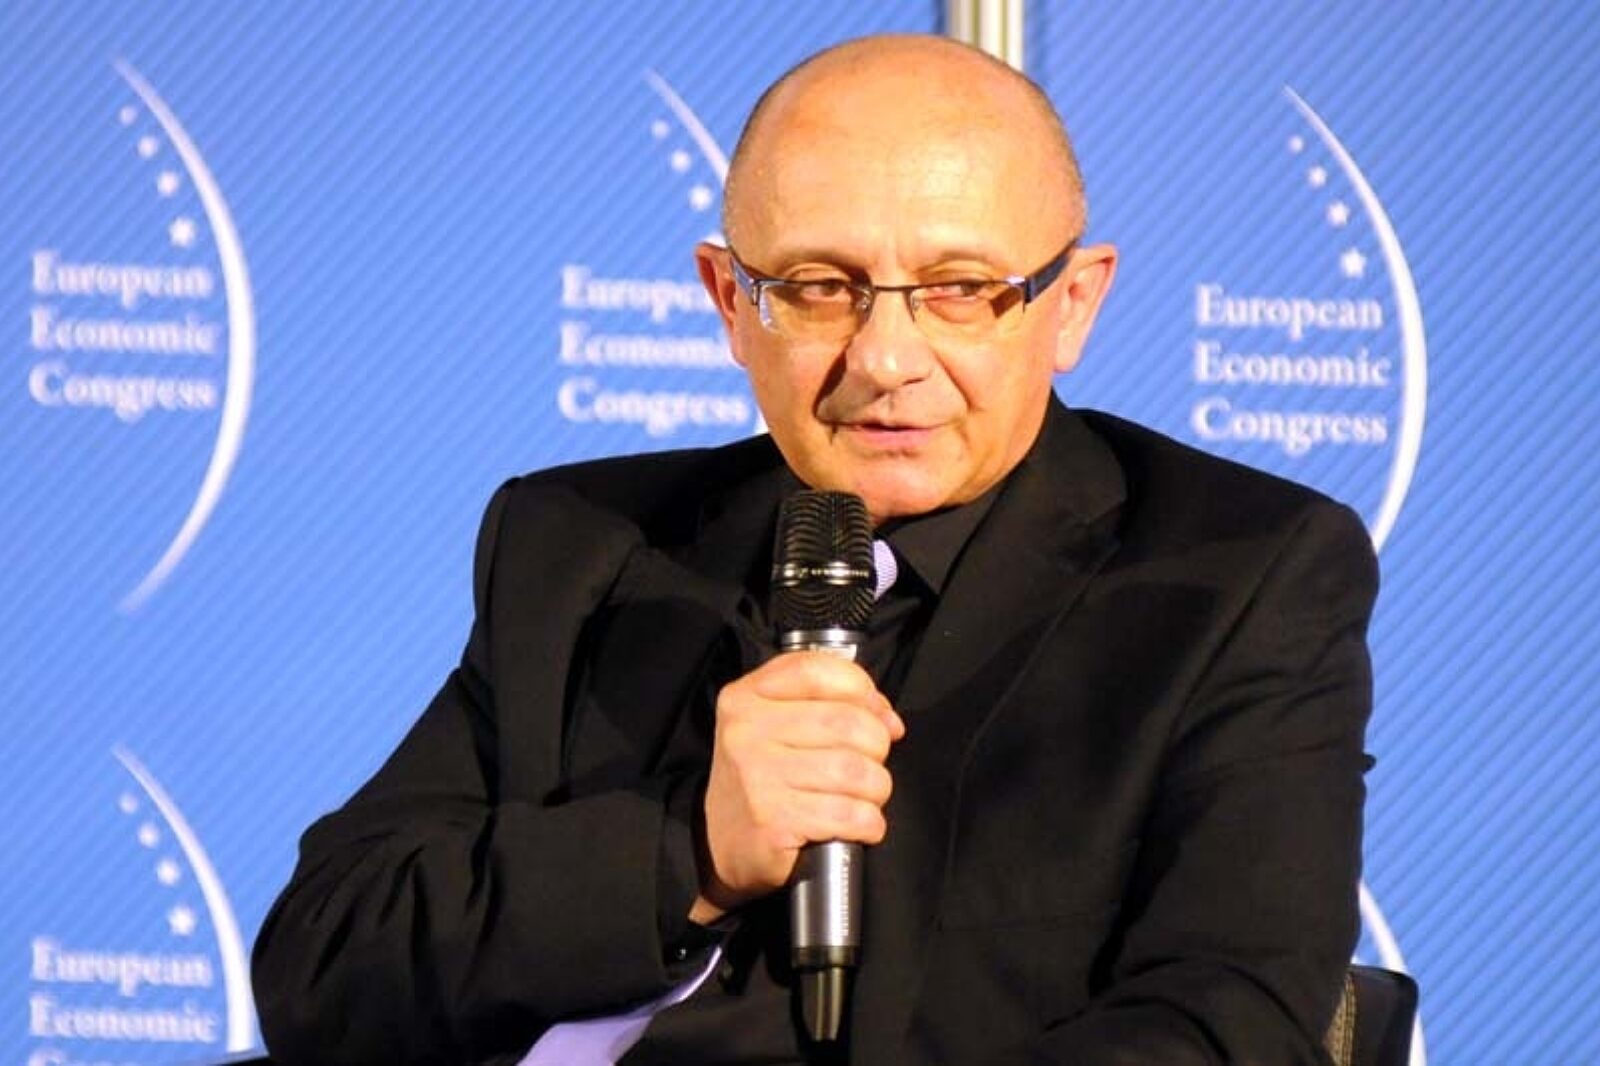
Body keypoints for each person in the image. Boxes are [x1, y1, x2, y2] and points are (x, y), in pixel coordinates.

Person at [252, 33, 1377, 1065]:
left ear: (1071, 304)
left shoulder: (1237, 576)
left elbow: (1224, 1025)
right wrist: (686, 853)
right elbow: (325, 968)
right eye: (821, 288)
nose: (886, 358)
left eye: (958, 290)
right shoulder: (582, 546)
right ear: (730, 302)